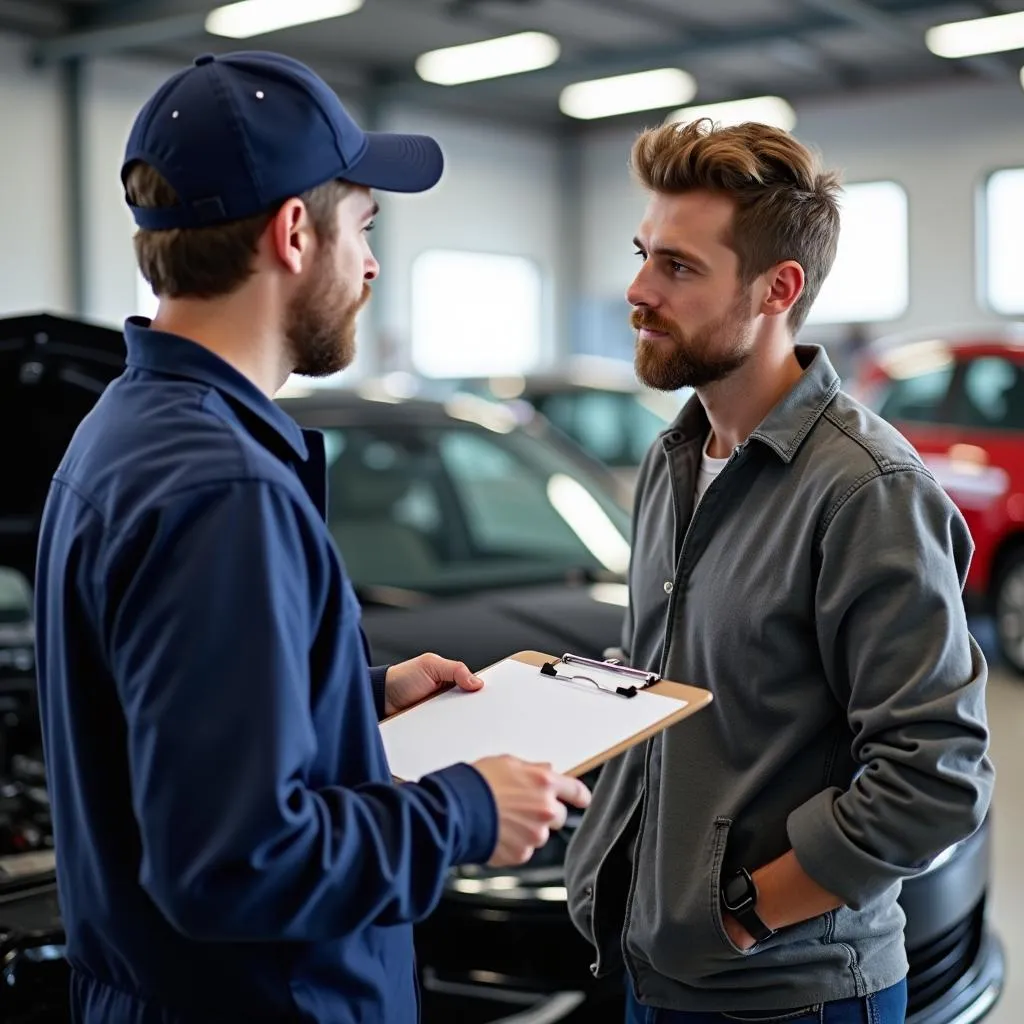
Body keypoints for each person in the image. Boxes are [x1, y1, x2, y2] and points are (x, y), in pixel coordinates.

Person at [33, 51, 590, 1024]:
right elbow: (234, 864)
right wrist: (465, 807)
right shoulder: (223, 488)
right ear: (295, 232)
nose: (370, 264)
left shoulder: (125, 427)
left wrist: (354, 698)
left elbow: (163, 730)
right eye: (364, 226)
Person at [564, 118, 993, 1024]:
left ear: (777, 288)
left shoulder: (866, 491)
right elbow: (675, 674)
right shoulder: (672, 458)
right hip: (654, 970)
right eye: (644, 254)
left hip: (788, 997)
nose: (638, 291)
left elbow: (936, 777)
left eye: (678, 267)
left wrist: (744, 917)